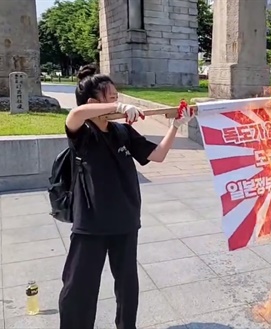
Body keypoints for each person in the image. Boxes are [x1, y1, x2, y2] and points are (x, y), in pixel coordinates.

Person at [58, 64, 194, 328]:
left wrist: (176, 126)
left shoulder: (122, 132)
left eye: (117, 98)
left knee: (127, 287)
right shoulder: (83, 133)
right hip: (91, 225)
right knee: (79, 289)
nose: (117, 101)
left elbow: (158, 155)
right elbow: (75, 114)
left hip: (125, 221)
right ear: (93, 102)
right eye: (111, 98)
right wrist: (120, 109)